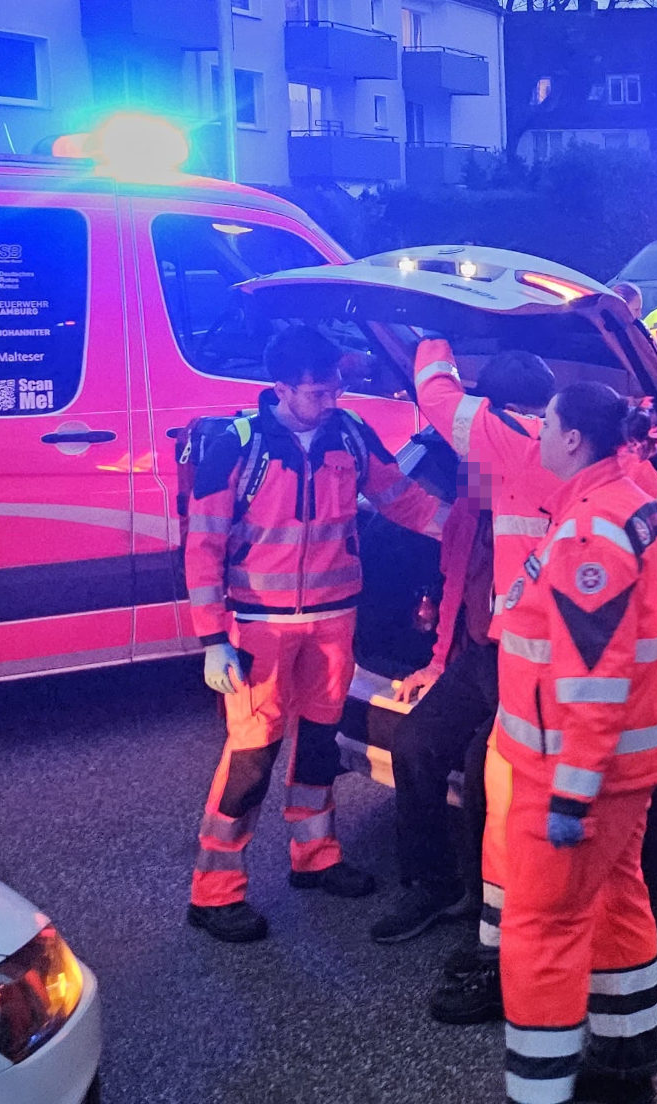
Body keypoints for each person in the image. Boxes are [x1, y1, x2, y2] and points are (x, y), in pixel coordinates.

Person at [184, 326, 446, 943]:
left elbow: (401, 500)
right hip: (257, 627)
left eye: (334, 387)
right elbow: (204, 545)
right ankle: (215, 891)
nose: (330, 399)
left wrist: (467, 531)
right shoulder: (236, 445)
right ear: (279, 389)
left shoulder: (350, 435)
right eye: (317, 391)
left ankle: (317, 856)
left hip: (334, 617)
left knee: (321, 744)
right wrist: (211, 639)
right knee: (252, 757)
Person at [494, 383, 657, 1104]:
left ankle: (540, 1093)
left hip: (574, 771)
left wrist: (571, 792)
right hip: (626, 764)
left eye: (545, 421)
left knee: (542, 930)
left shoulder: (587, 531)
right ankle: (627, 1065)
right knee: (615, 899)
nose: (536, 431)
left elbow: (593, 680)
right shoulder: (626, 499)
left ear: (574, 438)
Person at [369, 346, 559, 958]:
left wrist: (436, 338)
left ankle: (491, 916)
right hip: (484, 655)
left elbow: (441, 398)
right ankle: (433, 886)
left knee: (487, 775)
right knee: (416, 744)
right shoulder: (479, 493)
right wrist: (436, 661)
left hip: (535, 664)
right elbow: (458, 582)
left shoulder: (535, 455)